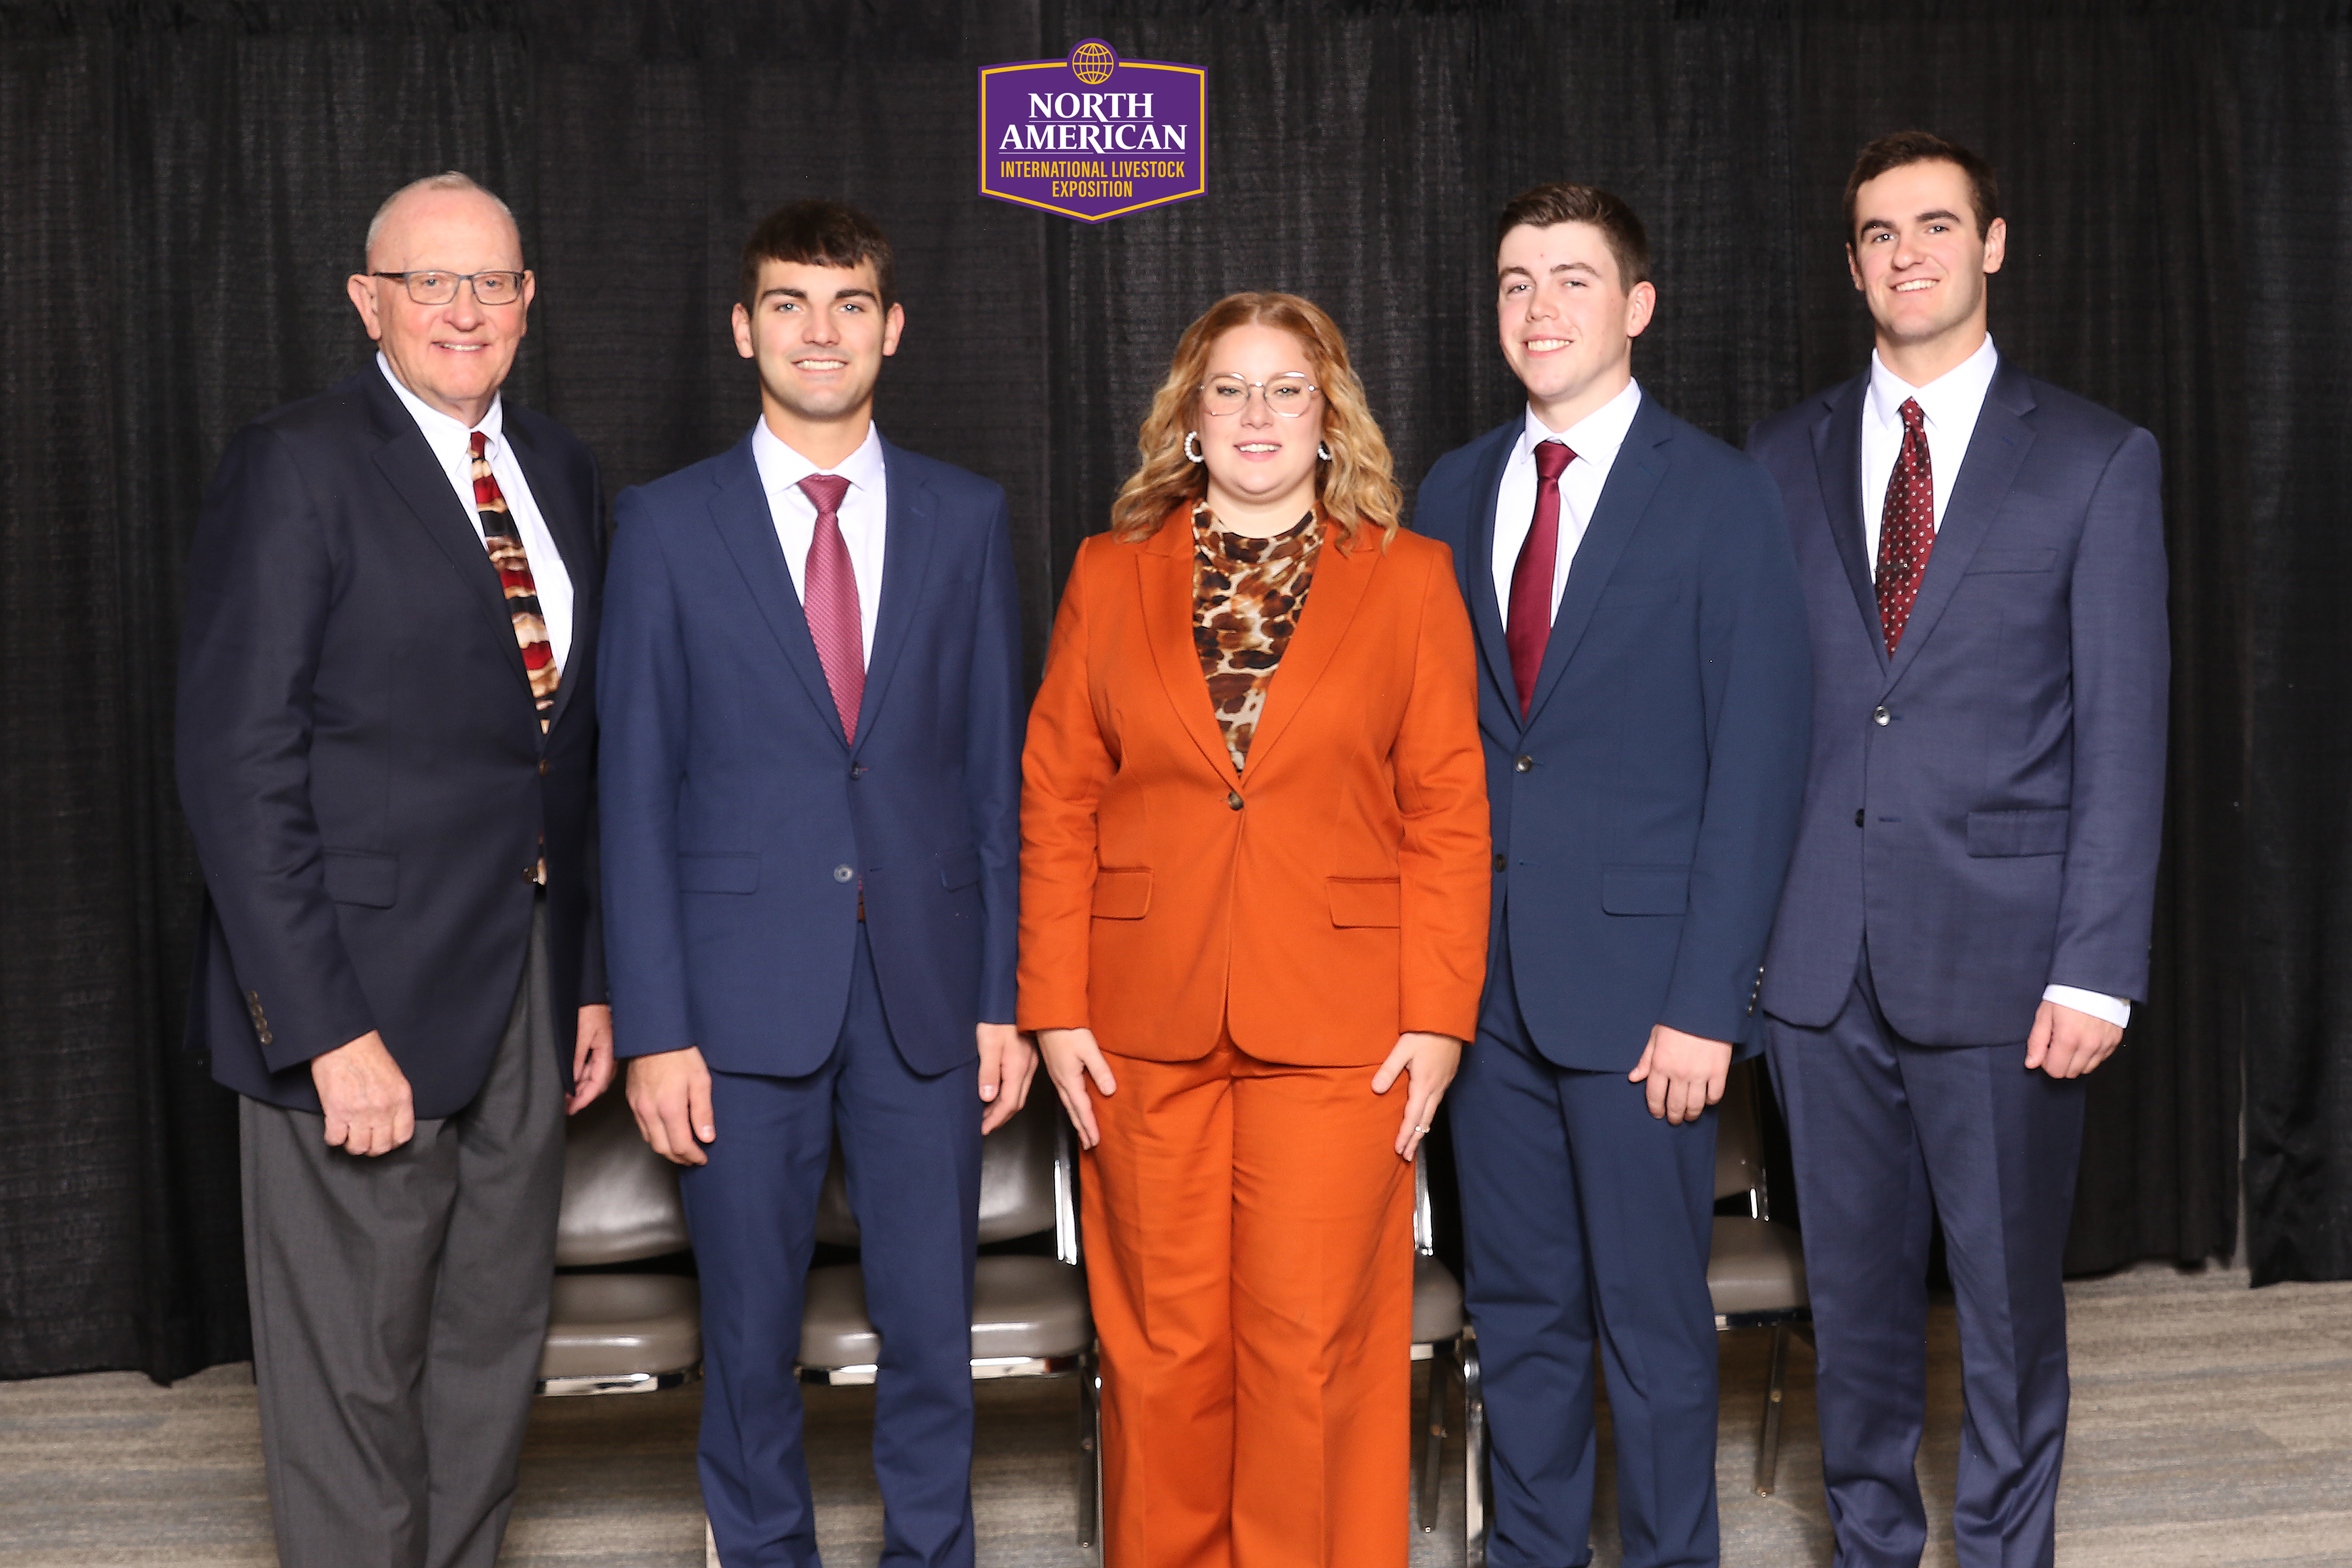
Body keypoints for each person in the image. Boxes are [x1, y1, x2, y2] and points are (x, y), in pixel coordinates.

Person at [175, 171, 612, 1568]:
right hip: (359, 996)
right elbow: (236, 766)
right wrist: (321, 1028)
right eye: (431, 282)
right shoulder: (294, 463)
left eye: (491, 281)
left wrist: (591, 982)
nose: (463, 309)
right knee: (353, 1381)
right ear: (370, 302)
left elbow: (563, 757)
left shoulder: (556, 467)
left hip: (529, 989)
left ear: (529, 300)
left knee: (490, 1352)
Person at [1747, 131, 2167, 1568]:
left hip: (2007, 967)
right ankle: (1870, 1545)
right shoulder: (1779, 458)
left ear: (1992, 245)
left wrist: (2100, 968)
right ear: (1852, 260)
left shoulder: (2099, 460)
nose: (1905, 252)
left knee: (2003, 1312)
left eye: (1935, 225)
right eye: (1877, 232)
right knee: (1852, 1310)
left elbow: (2126, 729)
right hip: (1818, 970)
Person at [1020, 291, 1489, 1568]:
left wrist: (1441, 1019)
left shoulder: (1411, 582)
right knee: (1163, 1352)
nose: (1257, 415)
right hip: (1139, 1021)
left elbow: (1449, 814)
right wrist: (1054, 1005)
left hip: (1343, 1027)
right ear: (1189, 420)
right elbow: (1057, 799)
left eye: (1287, 389)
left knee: (1308, 1348)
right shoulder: (1108, 576)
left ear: (1330, 417)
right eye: (1228, 390)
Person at [597, 199, 1032, 1568]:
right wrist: (655, 1024)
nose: (820, 330)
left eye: (849, 304)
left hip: (925, 993)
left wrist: (1003, 996)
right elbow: (634, 791)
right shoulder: (663, 528)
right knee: (744, 1338)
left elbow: (992, 781)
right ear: (744, 329)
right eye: (789, 302)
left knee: (932, 1336)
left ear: (893, 330)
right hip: (732, 1005)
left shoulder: (969, 520)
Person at [1413, 184, 1813, 1568]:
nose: (1540, 308)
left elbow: (1757, 770)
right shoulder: (1450, 491)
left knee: (1650, 1325)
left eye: (1573, 281)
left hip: (1649, 1000)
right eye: (1518, 280)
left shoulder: (1720, 495)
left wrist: (1710, 1005)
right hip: (1487, 992)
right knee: (1518, 1316)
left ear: (1636, 308)